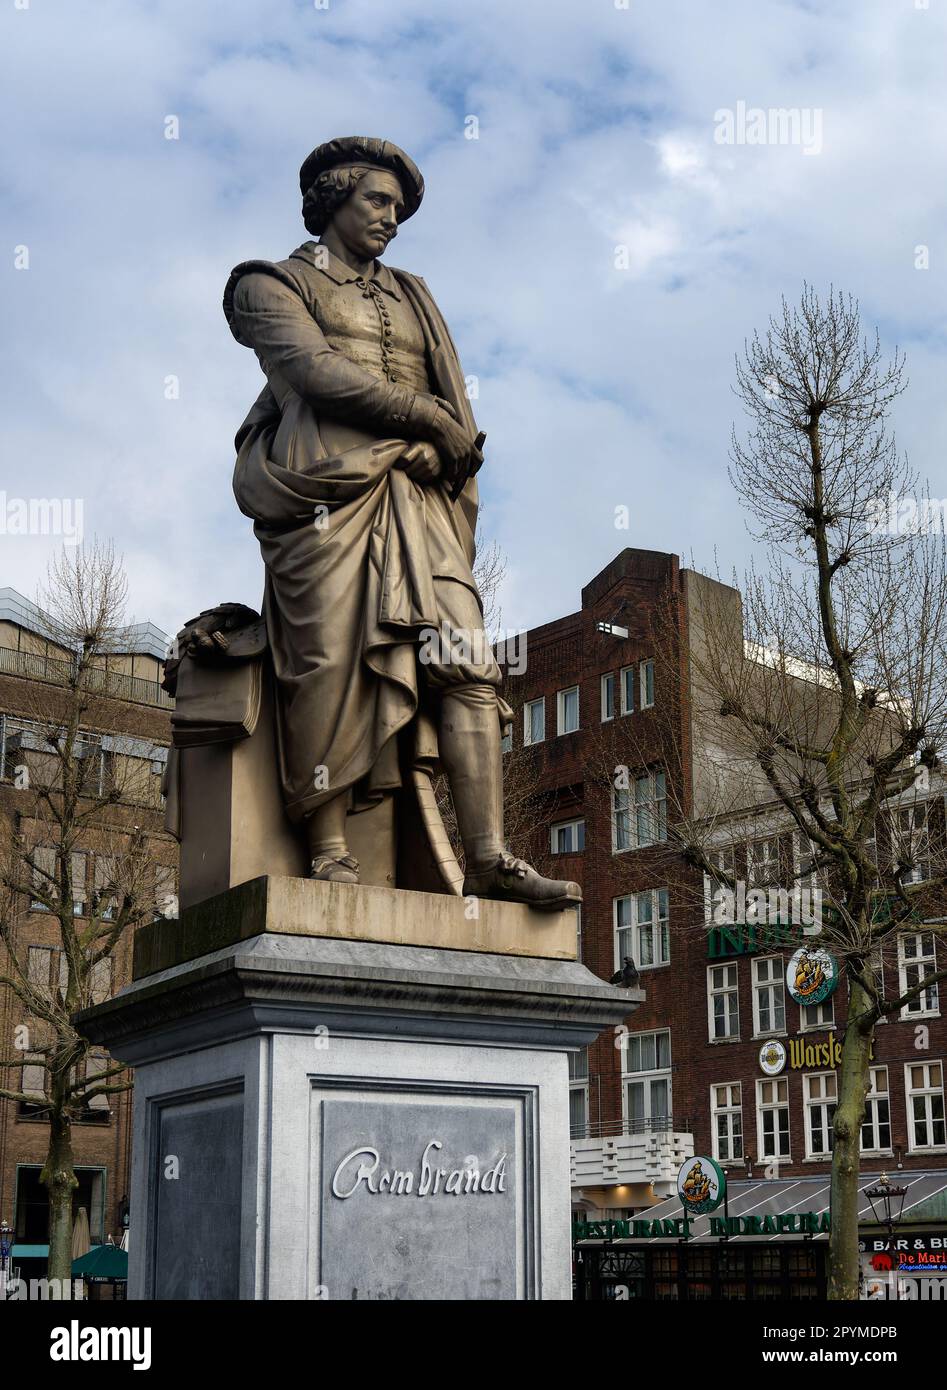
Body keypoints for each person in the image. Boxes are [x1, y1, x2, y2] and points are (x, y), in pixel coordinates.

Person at [223, 137, 579, 910]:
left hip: (419, 505)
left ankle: (485, 856)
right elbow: (313, 372)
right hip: (323, 493)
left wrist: (437, 449)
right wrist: (420, 417)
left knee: (467, 663)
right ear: (331, 200)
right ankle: (325, 850)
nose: (391, 219)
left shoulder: (414, 293)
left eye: (398, 208)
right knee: (325, 661)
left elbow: (456, 412)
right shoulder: (266, 285)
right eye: (377, 202)